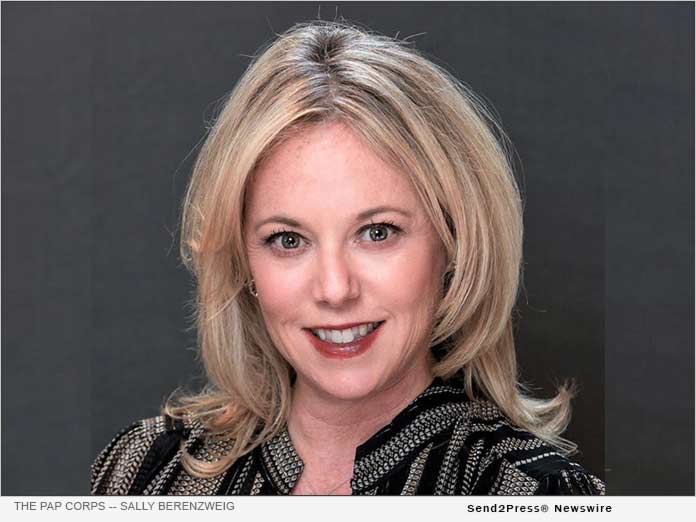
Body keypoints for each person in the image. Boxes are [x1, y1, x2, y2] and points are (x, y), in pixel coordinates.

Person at [91, 21, 605, 496]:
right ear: (243, 263)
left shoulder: (532, 494)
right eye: (288, 240)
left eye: (377, 233)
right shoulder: (145, 472)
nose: (335, 289)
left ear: (454, 243)